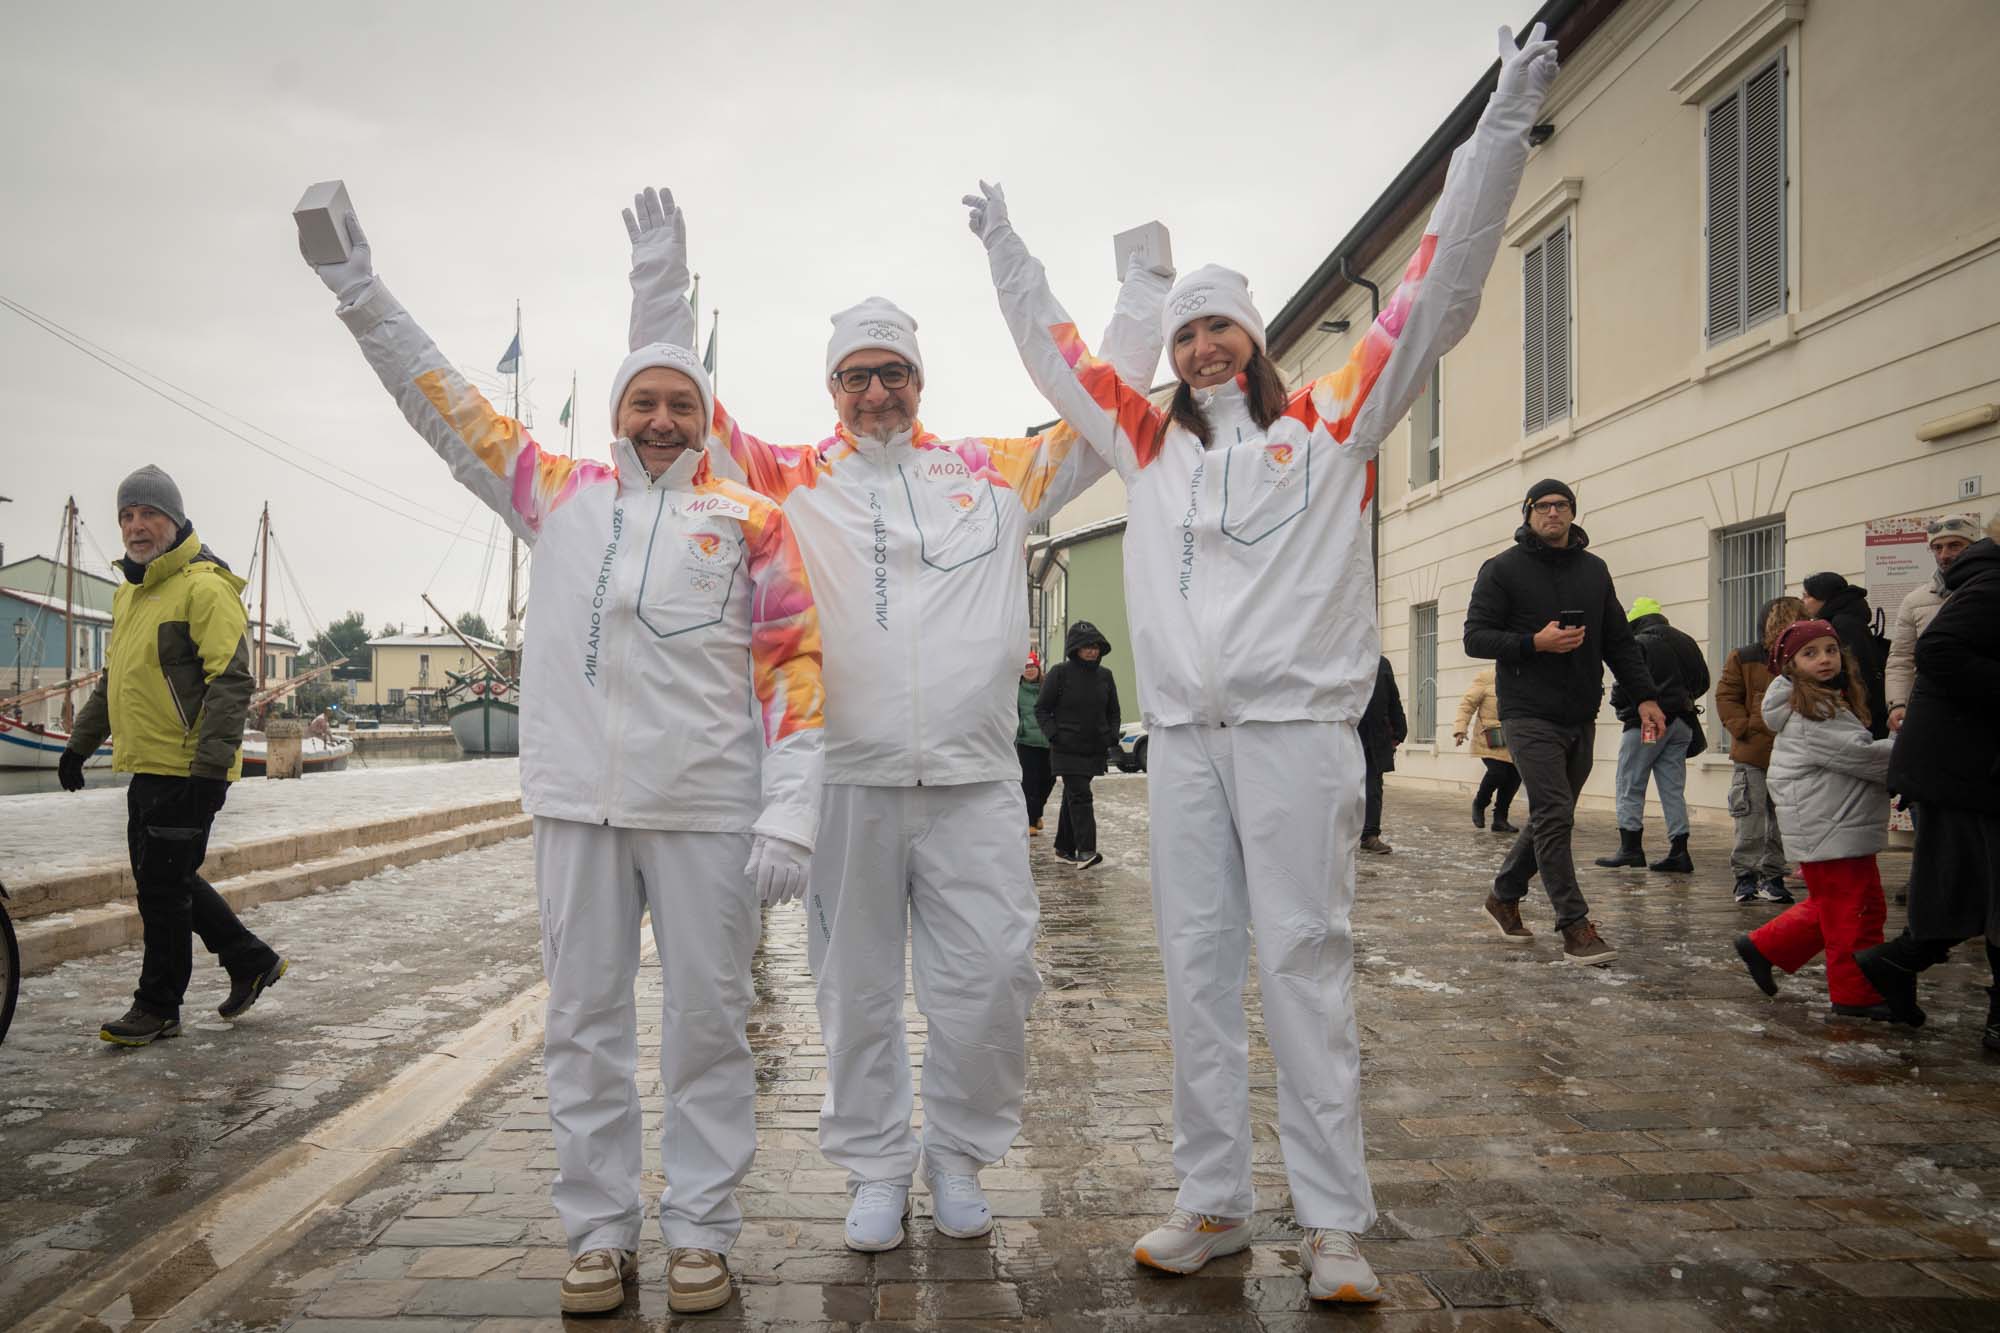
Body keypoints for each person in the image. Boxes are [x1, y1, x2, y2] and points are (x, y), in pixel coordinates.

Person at [965, 23, 1561, 1304]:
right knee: (1192, 965)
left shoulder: (1332, 421)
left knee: (1303, 960)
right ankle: (1212, 1201)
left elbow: (1438, 289)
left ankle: (1334, 1221)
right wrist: (1011, 260)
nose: (1199, 353)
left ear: (1251, 338)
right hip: (1183, 743)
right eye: (1184, 338)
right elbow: (1060, 357)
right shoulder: (1145, 445)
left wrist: (1501, 122)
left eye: (1217, 331)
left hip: (1295, 737)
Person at [623, 186, 1172, 1253]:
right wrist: (658, 278)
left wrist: (1139, 288)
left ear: (918, 381)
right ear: (832, 388)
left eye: (892, 373)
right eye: (856, 375)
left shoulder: (993, 473)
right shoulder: (788, 478)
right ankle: (875, 1165)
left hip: (972, 782)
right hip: (849, 784)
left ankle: (958, 1154)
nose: (875, 390)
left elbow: (1103, 403)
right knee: (857, 994)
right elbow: (672, 393)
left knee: (992, 983)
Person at [302, 206, 825, 1316]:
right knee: (582, 1022)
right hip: (577, 811)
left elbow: (791, 672)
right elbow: (441, 403)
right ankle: (597, 1231)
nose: (661, 419)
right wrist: (360, 289)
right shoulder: (560, 496)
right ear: (620, 412)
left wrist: (790, 810)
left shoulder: (750, 522)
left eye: (681, 403)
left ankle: (699, 1229)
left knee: (704, 1023)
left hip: (704, 813)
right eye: (644, 400)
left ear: (705, 418)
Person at [60, 466, 286, 1048]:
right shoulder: (131, 592)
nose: (136, 527)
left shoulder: (203, 587)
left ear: (175, 520)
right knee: (168, 877)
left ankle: (158, 1005)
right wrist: (80, 744)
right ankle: (249, 959)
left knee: (162, 889)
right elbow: (118, 679)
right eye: (127, 516)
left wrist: (212, 770)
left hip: (188, 767)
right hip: (149, 764)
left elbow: (232, 682)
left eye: (149, 514)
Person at [1463, 479, 1663, 965]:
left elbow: (1618, 641)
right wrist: (1535, 643)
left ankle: (1503, 896)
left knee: (1552, 815)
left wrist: (1646, 698)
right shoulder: (1502, 569)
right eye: (1544, 506)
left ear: (1572, 513)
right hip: (1527, 712)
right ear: (1529, 513)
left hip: (1580, 712)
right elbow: (1476, 638)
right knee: (1555, 813)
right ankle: (1574, 925)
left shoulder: (1595, 571)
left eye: (1562, 505)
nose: (1554, 513)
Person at [1853, 532, 2000, 1046]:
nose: (1945, 553)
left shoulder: (1976, 583)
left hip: (1963, 765)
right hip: (1964, 767)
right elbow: (1934, 650)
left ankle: (1893, 963)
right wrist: (1896, 705)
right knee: (1970, 890)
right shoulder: (1989, 586)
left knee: (1964, 890)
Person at [1731, 620, 1897, 1020]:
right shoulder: (1814, 710)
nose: (1824, 659)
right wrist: (1913, 748)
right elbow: (1861, 756)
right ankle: (1854, 996)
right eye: (1810, 653)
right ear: (1790, 665)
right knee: (1853, 912)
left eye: (1830, 650)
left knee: (1841, 905)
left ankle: (1765, 946)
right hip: (1830, 825)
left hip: (1833, 822)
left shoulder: (1822, 700)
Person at [1596, 597, 1707, 874]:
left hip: (1647, 723)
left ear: (1635, 622)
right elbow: (1703, 681)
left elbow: (1624, 684)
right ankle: (1679, 851)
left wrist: (1625, 708)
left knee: (1630, 781)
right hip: (1682, 721)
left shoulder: (1639, 643)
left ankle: (1631, 848)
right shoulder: (1686, 641)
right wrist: (1683, 699)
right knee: (1672, 788)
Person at [1715, 597, 1804, 904]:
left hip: (1790, 752)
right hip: (1753, 751)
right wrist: (1744, 728)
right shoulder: (1745, 657)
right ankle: (1745, 876)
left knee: (1783, 820)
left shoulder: (1803, 658)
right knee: (1749, 818)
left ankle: (1774, 875)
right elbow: (1727, 695)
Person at [1037, 621, 1121, 868]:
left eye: (1095, 647)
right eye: (1086, 647)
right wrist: (1054, 735)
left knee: (1073, 797)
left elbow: (1113, 711)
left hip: (1094, 748)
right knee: (1081, 796)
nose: (1092, 651)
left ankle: (1063, 848)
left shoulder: (1105, 676)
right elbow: (1042, 708)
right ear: (1075, 649)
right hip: (1066, 748)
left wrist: (1111, 736)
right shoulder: (1059, 673)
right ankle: (1086, 851)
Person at [1885, 517, 1980, 734]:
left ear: (1974, 547)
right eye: (1937, 548)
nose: (1944, 555)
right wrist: (1898, 703)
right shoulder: (1914, 601)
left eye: (1954, 545)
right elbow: (1901, 658)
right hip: (1931, 709)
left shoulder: (1990, 590)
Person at [1800, 572, 1888, 739]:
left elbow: (1856, 669)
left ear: (1822, 597)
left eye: (1807, 596)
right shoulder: (1846, 619)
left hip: (1858, 710)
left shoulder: (1842, 624)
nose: (1803, 602)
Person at [1453, 667, 1518, 833]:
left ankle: (1500, 819)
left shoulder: (1526, 677)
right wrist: (1461, 729)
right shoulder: (1487, 677)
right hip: (1491, 737)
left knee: (1514, 777)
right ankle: (1480, 803)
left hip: (1516, 736)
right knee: (1498, 772)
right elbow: (1468, 704)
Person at [1357, 656, 1407, 854]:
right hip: (1343, 733)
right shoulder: (1335, 653)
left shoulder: (1381, 663)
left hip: (1374, 734)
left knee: (1373, 786)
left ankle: (1370, 835)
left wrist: (1400, 729)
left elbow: (1392, 697)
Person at [1016, 652, 1054, 834]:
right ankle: (1030, 820)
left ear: (1039, 669)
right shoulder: (1016, 689)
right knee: (1030, 782)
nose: (1029, 670)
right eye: (1026, 667)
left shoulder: (1048, 687)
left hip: (1048, 740)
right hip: (1026, 742)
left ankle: (1037, 812)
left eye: (1032, 667)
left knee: (1049, 780)